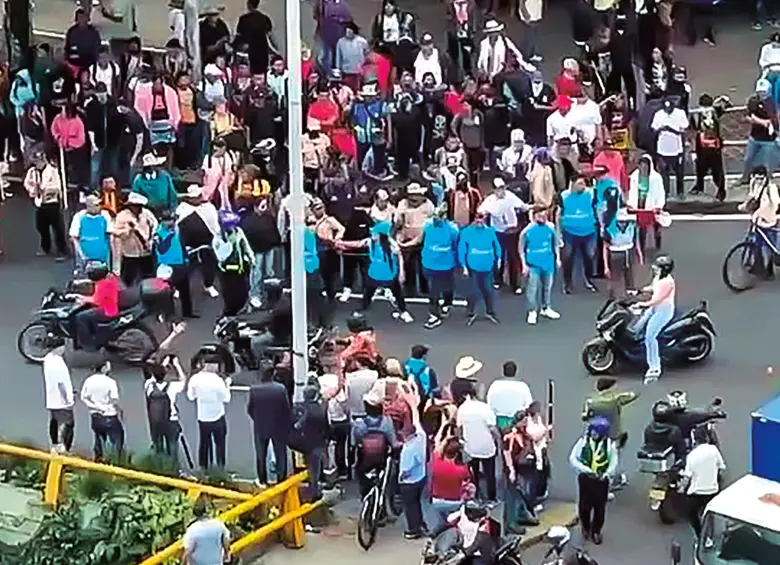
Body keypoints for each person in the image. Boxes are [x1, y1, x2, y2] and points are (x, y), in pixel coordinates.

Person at [337, 221, 414, 323]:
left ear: (381, 235)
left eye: (375, 233)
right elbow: (358, 244)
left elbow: (400, 257)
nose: (372, 235)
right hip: (374, 274)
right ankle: (362, 309)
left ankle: (403, 312)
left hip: (389, 275)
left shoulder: (391, 244)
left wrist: (401, 273)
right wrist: (342, 243)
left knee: (398, 295)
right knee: (368, 295)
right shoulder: (371, 242)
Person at [569, 416, 618, 545]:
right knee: (584, 507)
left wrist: (607, 474)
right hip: (586, 479)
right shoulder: (583, 442)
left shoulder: (609, 445)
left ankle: (596, 531)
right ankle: (585, 526)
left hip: (601, 481)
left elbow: (613, 462)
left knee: (599, 507)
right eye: (592, 431)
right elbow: (573, 458)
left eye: (596, 432)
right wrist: (585, 469)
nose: (593, 434)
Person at [582, 378, 638, 490]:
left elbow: (584, 417)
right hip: (614, 434)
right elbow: (633, 395)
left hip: (597, 435)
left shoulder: (591, 402)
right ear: (610, 388)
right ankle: (613, 481)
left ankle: (599, 479)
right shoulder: (615, 400)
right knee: (615, 457)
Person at [478, 178, 528, 294]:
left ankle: (515, 284)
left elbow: (522, 206)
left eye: (503, 188)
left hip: (511, 231)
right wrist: (485, 213)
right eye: (498, 189)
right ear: (494, 190)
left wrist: (525, 208)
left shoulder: (510, 196)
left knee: (513, 257)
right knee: (498, 256)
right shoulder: (490, 200)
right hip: (498, 232)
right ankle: (498, 279)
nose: (501, 191)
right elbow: (481, 210)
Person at [634, 255, 676, 383]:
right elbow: (652, 287)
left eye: (657, 266)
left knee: (650, 337)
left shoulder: (667, 282)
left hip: (663, 311)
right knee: (636, 327)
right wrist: (639, 292)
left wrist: (641, 304)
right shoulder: (658, 278)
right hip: (655, 308)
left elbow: (656, 299)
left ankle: (654, 368)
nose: (654, 268)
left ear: (663, 269)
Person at [247, 363, 291, 486]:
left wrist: (257, 419)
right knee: (280, 454)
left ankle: (262, 480)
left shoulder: (254, 389)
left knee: (261, 454)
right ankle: (281, 480)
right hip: (278, 426)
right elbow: (286, 408)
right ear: (273, 373)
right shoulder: (280, 389)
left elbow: (250, 409)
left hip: (260, 425)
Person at [351, 390, 399, 498]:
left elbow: (354, 443)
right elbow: (393, 442)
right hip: (381, 460)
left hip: (364, 460)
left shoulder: (359, 424)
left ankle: (365, 495)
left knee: (361, 474)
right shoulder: (386, 422)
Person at [457, 384, 500, 501]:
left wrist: (461, 442)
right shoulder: (485, 408)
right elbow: (492, 429)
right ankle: (491, 498)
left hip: (470, 447)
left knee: (472, 474)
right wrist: (499, 440)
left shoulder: (462, 408)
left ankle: (474, 496)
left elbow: (459, 428)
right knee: (489, 474)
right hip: (486, 447)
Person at [187, 358, 232, 469]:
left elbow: (190, 396)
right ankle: (220, 467)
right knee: (220, 444)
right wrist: (227, 385)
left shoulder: (195, 379)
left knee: (204, 443)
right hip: (217, 416)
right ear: (213, 365)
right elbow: (227, 398)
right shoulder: (218, 380)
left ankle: (204, 467)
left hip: (202, 417)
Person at [520, 206, 561, 326]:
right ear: (534, 216)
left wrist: (557, 258)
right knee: (532, 289)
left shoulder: (550, 228)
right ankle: (532, 311)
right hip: (533, 264)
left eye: (544, 216)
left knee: (547, 287)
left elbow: (555, 244)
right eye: (539, 216)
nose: (542, 218)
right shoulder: (527, 231)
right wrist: (524, 265)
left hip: (548, 263)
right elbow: (521, 248)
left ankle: (546, 308)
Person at [458, 212, 501, 326]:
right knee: (473, 290)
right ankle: (471, 311)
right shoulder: (466, 232)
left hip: (487, 266)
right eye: (477, 218)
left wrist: (499, 259)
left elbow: (496, 245)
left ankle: (490, 311)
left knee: (488, 290)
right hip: (473, 267)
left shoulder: (490, 231)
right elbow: (462, 249)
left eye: (482, 218)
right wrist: (464, 266)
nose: (479, 221)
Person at [682, 426, 726, 537]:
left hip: (697, 493)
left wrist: (681, 488)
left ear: (694, 440)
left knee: (691, 514)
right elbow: (721, 468)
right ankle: (710, 536)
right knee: (710, 515)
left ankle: (699, 534)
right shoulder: (713, 450)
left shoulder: (691, 456)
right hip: (712, 490)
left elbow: (687, 477)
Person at [421, 204, 459, 329]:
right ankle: (434, 315)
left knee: (447, 287)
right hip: (429, 264)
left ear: (444, 216)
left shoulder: (452, 229)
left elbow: (455, 245)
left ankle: (447, 303)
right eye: (434, 217)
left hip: (446, 264)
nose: (435, 219)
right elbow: (423, 239)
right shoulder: (427, 225)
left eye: (438, 217)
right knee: (433, 291)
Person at [24, 152, 68, 261]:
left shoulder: (52, 171)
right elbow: (27, 183)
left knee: (57, 227)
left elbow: (58, 187)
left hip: (52, 202)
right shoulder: (32, 172)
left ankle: (62, 250)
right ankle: (45, 247)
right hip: (39, 202)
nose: (37, 163)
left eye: (39, 160)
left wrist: (47, 190)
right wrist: (32, 190)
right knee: (41, 226)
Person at [153, 211, 197, 320]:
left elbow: (182, 244)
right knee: (166, 292)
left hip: (179, 263)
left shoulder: (177, 229)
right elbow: (161, 249)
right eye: (167, 220)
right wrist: (169, 236)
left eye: (172, 220)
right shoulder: (158, 233)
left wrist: (186, 257)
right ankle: (168, 314)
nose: (170, 223)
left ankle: (188, 312)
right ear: (162, 221)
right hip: (166, 266)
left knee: (185, 290)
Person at [559, 173, 597, 295]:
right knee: (568, 257)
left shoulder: (590, 194)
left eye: (584, 184)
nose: (583, 186)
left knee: (590, 256)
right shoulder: (564, 196)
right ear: (573, 184)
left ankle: (589, 279)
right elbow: (558, 215)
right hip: (570, 232)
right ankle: (567, 283)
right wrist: (558, 233)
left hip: (589, 231)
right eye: (580, 184)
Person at [290, 384, 330, 501]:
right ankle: (314, 492)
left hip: (301, 442)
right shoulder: (320, 409)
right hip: (316, 443)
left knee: (309, 465)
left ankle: (311, 487)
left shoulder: (299, 407)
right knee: (315, 468)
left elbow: (295, 424)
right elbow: (326, 427)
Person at [738, 166, 780, 278]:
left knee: (770, 245)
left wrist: (763, 213)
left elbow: (776, 203)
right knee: (757, 243)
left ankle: (769, 268)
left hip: (769, 219)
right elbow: (752, 198)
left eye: (760, 178)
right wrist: (744, 206)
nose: (758, 180)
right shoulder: (754, 183)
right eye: (756, 178)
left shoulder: (771, 188)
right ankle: (759, 266)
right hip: (758, 219)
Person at [398, 386, 428, 540]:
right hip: (421, 476)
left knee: (410, 506)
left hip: (409, 481)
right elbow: (416, 419)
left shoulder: (408, 451)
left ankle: (413, 530)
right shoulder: (421, 437)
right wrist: (412, 403)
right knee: (416, 503)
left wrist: (401, 477)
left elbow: (406, 470)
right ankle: (421, 523)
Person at [503, 411, 541, 531]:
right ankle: (511, 522)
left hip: (524, 467)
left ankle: (522, 514)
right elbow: (507, 453)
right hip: (514, 468)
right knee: (512, 496)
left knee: (523, 494)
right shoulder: (511, 435)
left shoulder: (524, 432)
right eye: (524, 420)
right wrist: (511, 470)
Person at [80, 359, 125, 459]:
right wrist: (118, 408)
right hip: (109, 414)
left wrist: (94, 406)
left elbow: (83, 397)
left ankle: (99, 459)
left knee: (99, 438)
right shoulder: (111, 382)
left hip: (95, 416)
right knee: (117, 438)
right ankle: (117, 461)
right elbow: (114, 399)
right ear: (104, 368)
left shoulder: (88, 381)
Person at [144, 353, 187, 458]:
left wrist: (163, 364)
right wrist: (176, 365)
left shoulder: (148, 386)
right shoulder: (172, 387)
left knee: (158, 446)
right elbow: (183, 380)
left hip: (155, 422)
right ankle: (172, 470)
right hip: (170, 420)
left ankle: (159, 468)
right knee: (172, 446)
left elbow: (154, 377)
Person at [214, 209, 255, 317]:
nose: (232, 227)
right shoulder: (218, 238)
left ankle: (235, 315)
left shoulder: (238, 231)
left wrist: (251, 258)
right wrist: (229, 243)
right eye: (229, 225)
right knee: (230, 299)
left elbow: (245, 245)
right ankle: (226, 319)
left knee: (242, 295)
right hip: (226, 272)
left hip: (240, 269)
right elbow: (221, 256)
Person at [73, 261, 121, 351]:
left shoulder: (103, 284)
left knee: (80, 317)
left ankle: (87, 344)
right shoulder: (109, 279)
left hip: (107, 310)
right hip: (107, 307)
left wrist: (81, 298)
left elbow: (97, 301)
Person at [113, 192, 158, 286]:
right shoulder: (122, 216)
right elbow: (116, 231)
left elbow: (155, 226)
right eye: (134, 205)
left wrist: (150, 240)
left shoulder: (147, 213)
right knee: (127, 278)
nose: (136, 208)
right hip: (129, 252)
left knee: (148, 276)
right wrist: (128, 230)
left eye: (138, 205)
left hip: (145, 251)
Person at [650, 97, 689, 199]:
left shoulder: (680, 113)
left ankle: (680, 192)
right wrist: (661, 128)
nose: (668, 111)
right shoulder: (658, 114)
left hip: (677, 148)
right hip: (662, 149)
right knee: (664, 172)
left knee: (679, 172)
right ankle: (665, 192)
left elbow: (684, 129)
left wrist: (671, 129)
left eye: (670, 109)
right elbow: (654, 129)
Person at [627, 154, 666, 254]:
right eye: (641, 165)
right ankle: (642, 248)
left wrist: (658, 206)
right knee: (642, 228)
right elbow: (632, 191)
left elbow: (661, 193)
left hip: (652, 204)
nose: (643, 168)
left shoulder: (656, 178)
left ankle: (658, 243)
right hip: (640, 204)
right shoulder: (634, 177)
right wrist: (631, 204)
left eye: (645, 166)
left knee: (656, 226)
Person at [43, 346, 75, 453]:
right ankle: (64, 446)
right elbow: (61, 384)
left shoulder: (48, 359)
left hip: (52, 398)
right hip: (62, 401)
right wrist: (67, 400)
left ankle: (54, 444)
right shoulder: (59, 365)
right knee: (68, 424)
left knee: (54, 421)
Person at [486, 361, 533, 433]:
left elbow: (489, 404)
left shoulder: (495, 385)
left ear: (503, 371)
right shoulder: (522, 386)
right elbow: (529, 405)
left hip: (498, 422)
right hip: (517, 423)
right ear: (515, 371)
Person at [182, 497, 231, 565]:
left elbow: (188, 551)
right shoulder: (218, 524)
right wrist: (227, 554)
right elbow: (226, 541)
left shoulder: (192, 530)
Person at [70, 194, 112, 273]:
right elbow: (74, 237)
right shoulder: (79, 217)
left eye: (99, 204)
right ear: (88, 206)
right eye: (96, 205)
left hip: (102, 256)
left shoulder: (105, 216)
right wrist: (80, 255)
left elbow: (109, 234)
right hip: (85, 256)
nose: (99, 207)